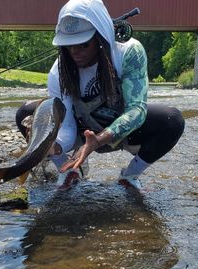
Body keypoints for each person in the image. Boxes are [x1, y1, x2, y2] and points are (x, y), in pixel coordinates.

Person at [16, 0, 185, 191]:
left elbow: (137, 109)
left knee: (172, 120)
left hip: (124, 131)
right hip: (82, 130)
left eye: (83, 45)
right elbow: (68, 128)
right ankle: (68, 170)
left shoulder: (129, 52)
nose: (75, 53)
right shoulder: (58, 73)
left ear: (101, 38)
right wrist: (55, 147)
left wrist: (100, 140)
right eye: (68, 46)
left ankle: (130, 175)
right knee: (29, 112)